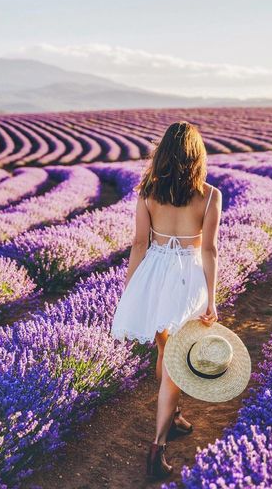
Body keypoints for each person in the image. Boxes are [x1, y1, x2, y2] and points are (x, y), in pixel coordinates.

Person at [110, 120, 222, 479]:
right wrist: (212, 299)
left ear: (163, 154)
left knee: (165, 351)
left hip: (154, 277)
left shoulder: (147, 191)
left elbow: (139, 244)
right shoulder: (209, 195)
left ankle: (172, 416)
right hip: (187, 279)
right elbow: (210, 250)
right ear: (196, 156)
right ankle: (158, 444)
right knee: (177, 360)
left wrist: (131, 290)